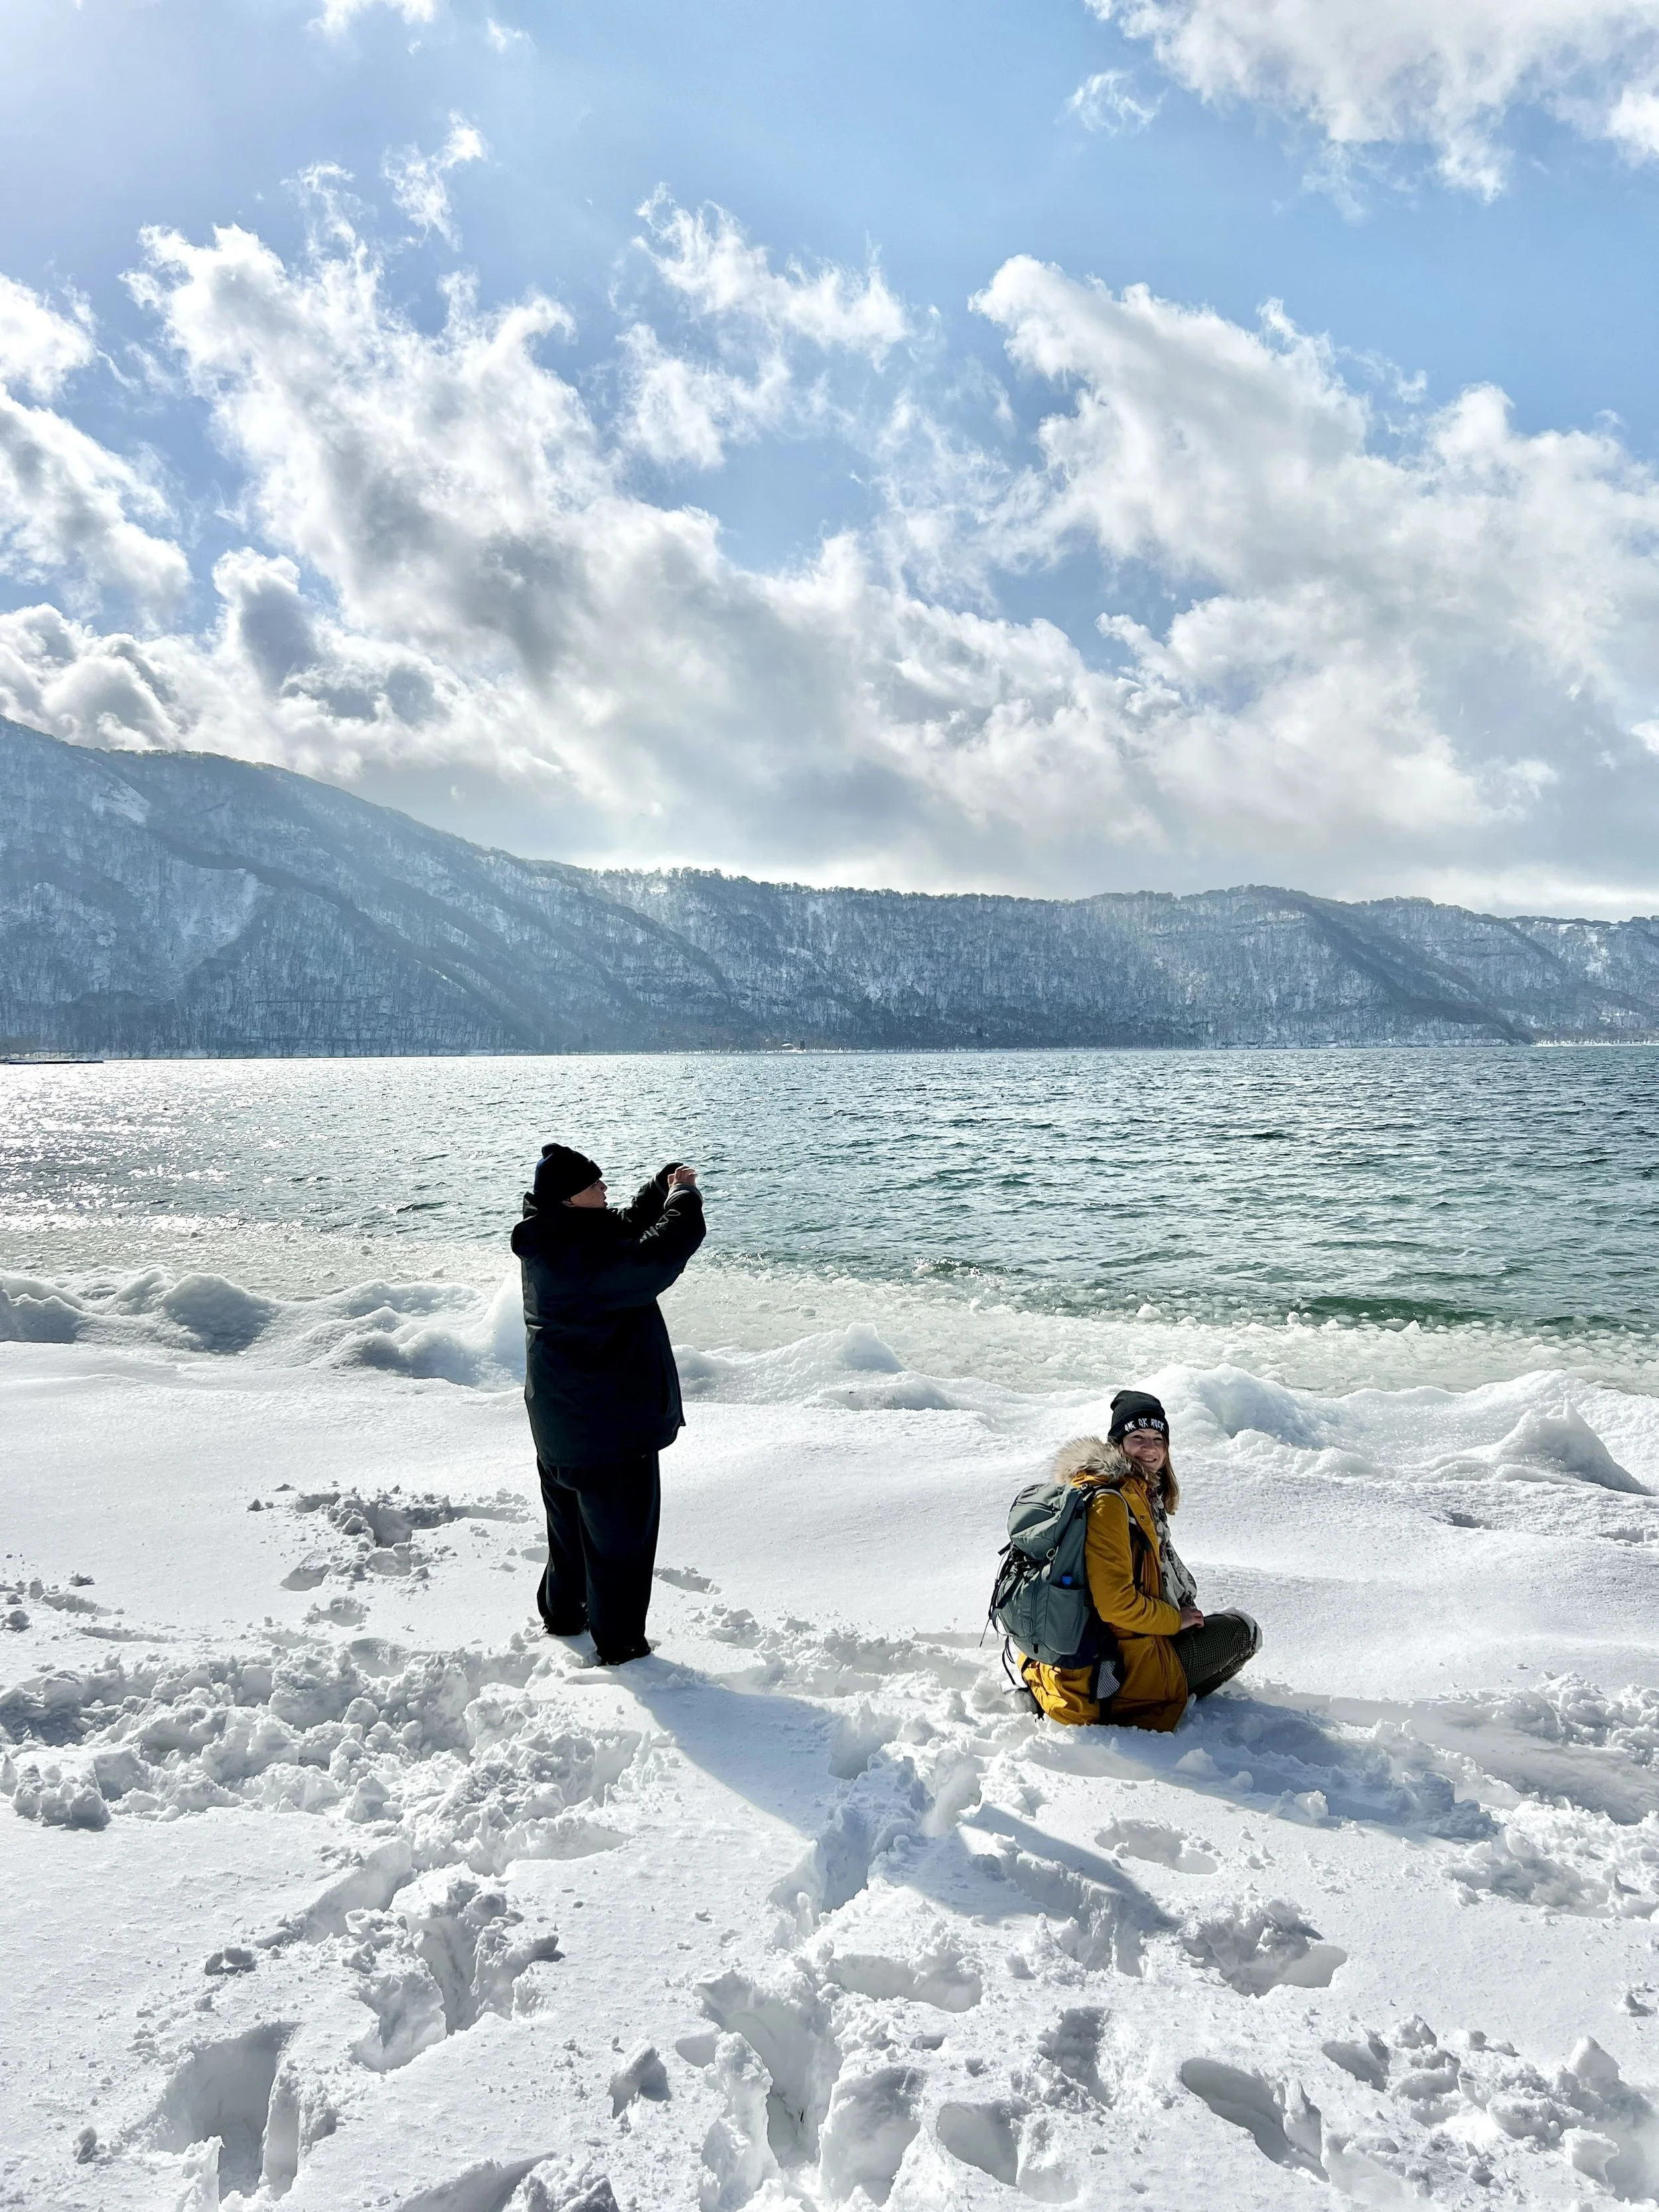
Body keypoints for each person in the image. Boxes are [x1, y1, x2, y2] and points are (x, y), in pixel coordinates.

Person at [510, 1143, 705, 1664]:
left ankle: (564, 1613)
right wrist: (684, 1197)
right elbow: (659, 1255)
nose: (605, 1190)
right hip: (609, 1429)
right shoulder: (583, 1260)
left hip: (561, 1423)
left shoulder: (552, 1235)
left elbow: (618, 1225)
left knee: (571, 1534)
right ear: (571, 1200)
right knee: (621, 1545)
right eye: (595, 1185)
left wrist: (659, 1187)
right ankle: (620, 1646)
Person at [1020, 1389, 1260, 1730]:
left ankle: (1151, 1691)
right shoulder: (1111, 1503)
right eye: (1137, 1438)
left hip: (1085, 1656)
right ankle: (1147, 1704)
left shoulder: (1115, 1491)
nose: (1150, 1448)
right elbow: (1117, 1606)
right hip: (1113, 1668)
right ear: (1117, 1444)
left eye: (1157, 1438)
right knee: (1244, 1633)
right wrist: (1174, 1621)